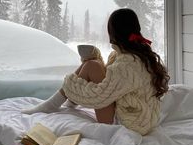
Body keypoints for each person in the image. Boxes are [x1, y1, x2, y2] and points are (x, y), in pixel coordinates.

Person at [22, 8, 169, 135]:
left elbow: (99, 97)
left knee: (91, 65)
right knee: (93, 64)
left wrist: (71, 85)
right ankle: (65, 103)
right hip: (144, 119)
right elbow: (115, 82)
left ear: (113, 32)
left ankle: (58, 103)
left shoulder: (127, 64)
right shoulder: (139, 54)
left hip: (129, 123)